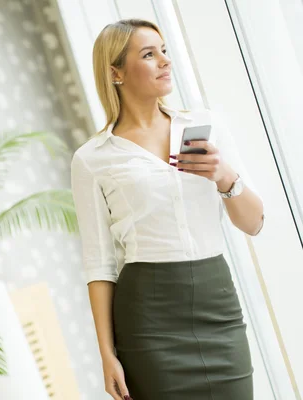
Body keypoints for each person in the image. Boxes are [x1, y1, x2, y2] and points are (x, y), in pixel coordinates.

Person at [70, 19, 265, 400]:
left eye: (164, 51)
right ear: (115, 72)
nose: (164, 61)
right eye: (148, 54)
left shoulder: (207, 126)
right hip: (149, 319)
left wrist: (225, 177)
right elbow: (99, 264)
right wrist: (107, 354)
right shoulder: (93, 158)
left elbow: (255, 222)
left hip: (218, 306)